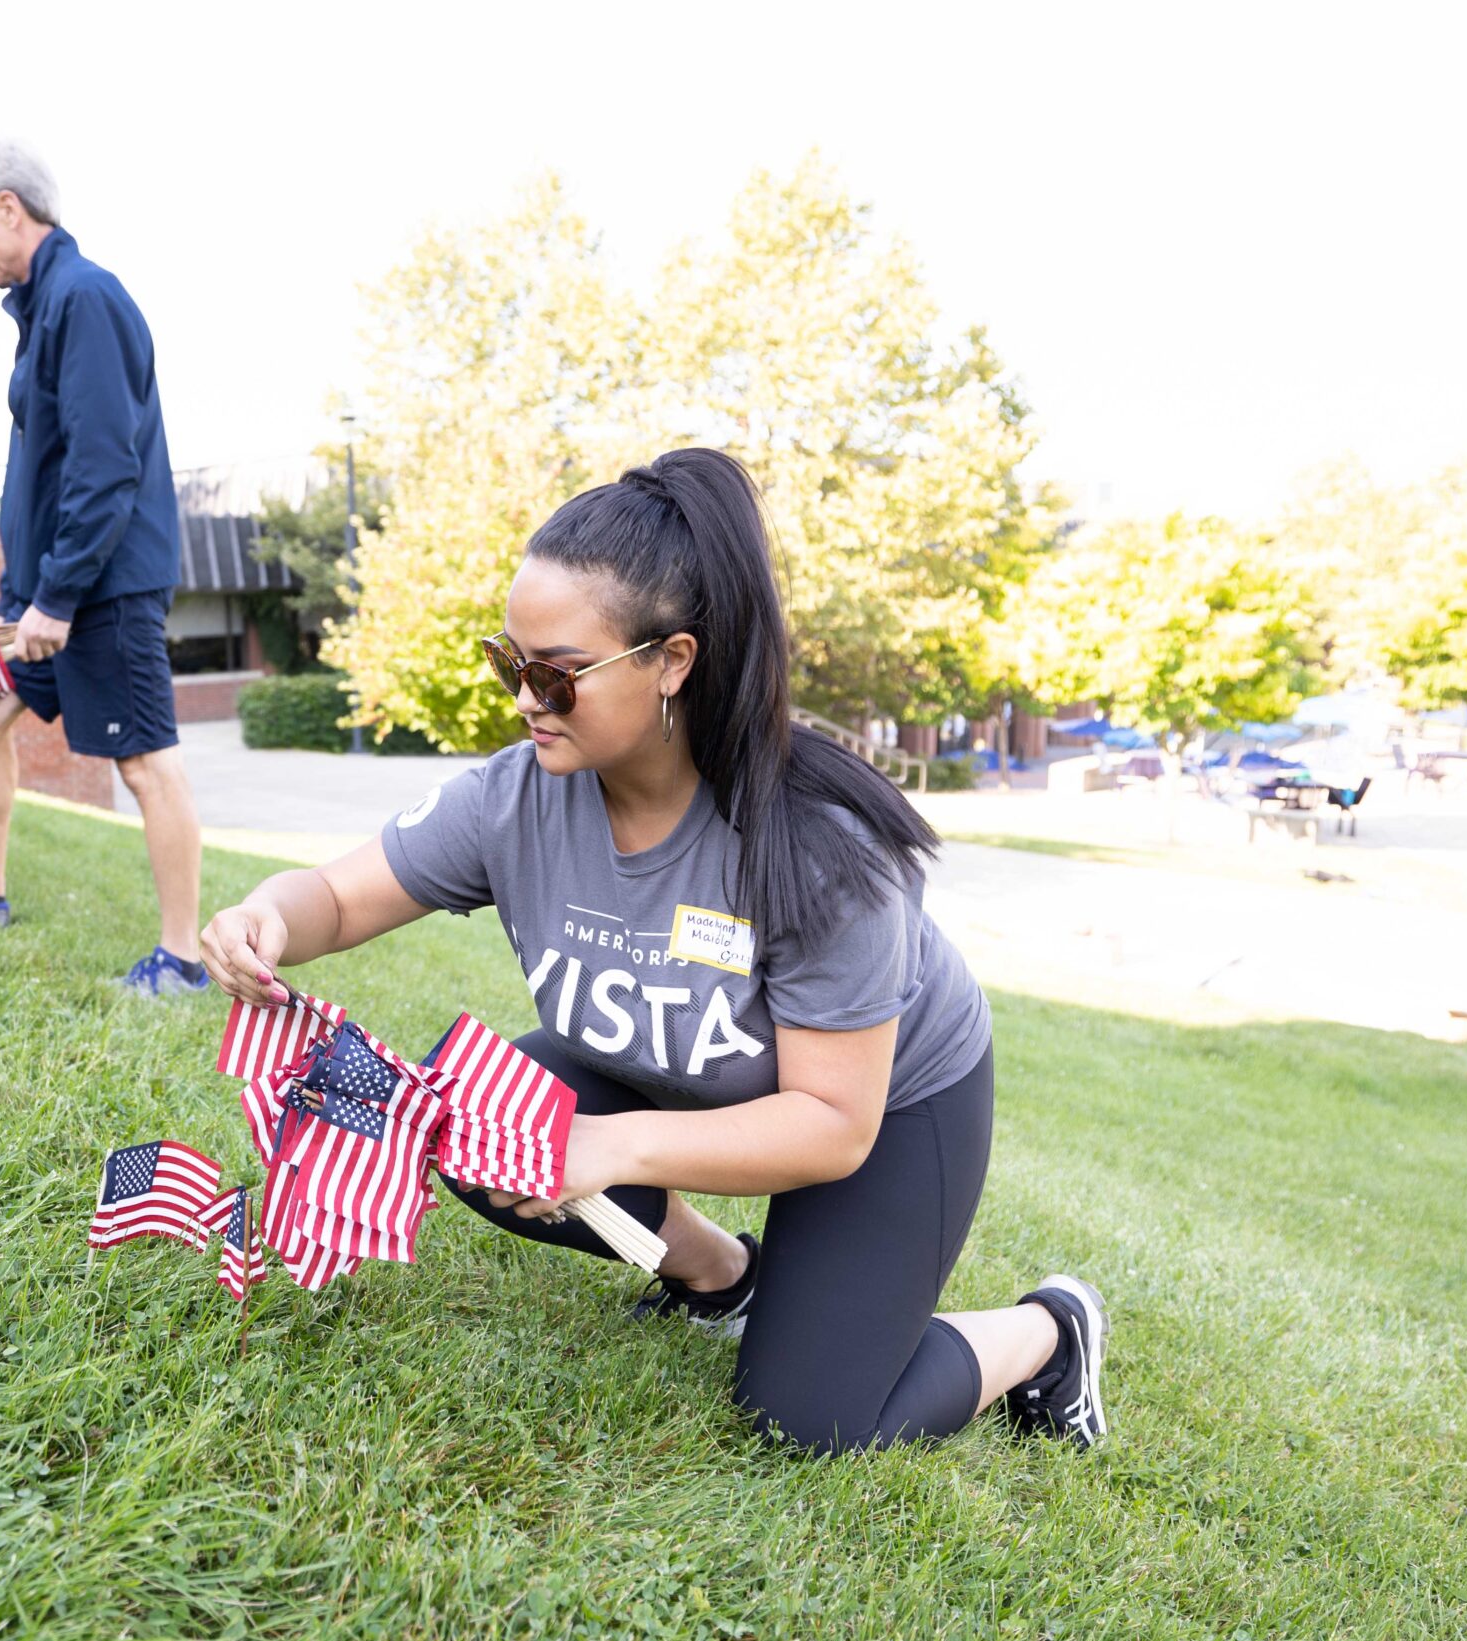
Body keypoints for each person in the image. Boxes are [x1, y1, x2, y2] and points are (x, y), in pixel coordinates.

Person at [198, 450, 1110, 1457]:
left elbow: (829, 1125)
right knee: (476, 1113)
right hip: (687, 1079)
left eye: (555, 673)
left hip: (880, 1108)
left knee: (811, 1422)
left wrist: (616, 1146)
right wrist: (268, 917)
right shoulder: (515, 798)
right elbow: (331, 894)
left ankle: (1046, 1331)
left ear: (670, 661)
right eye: (509, 663)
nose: (524, 699)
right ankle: (720, 1273)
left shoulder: (816, 849)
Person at [0, 140, 208, 996]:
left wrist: (55, 596)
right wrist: (23, 594)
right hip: (45, 588)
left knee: (144, 762)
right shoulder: (42, 306)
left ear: (11, 207)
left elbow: (104, 463)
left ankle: (183, 959)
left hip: (99, 586)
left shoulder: (86, 298)